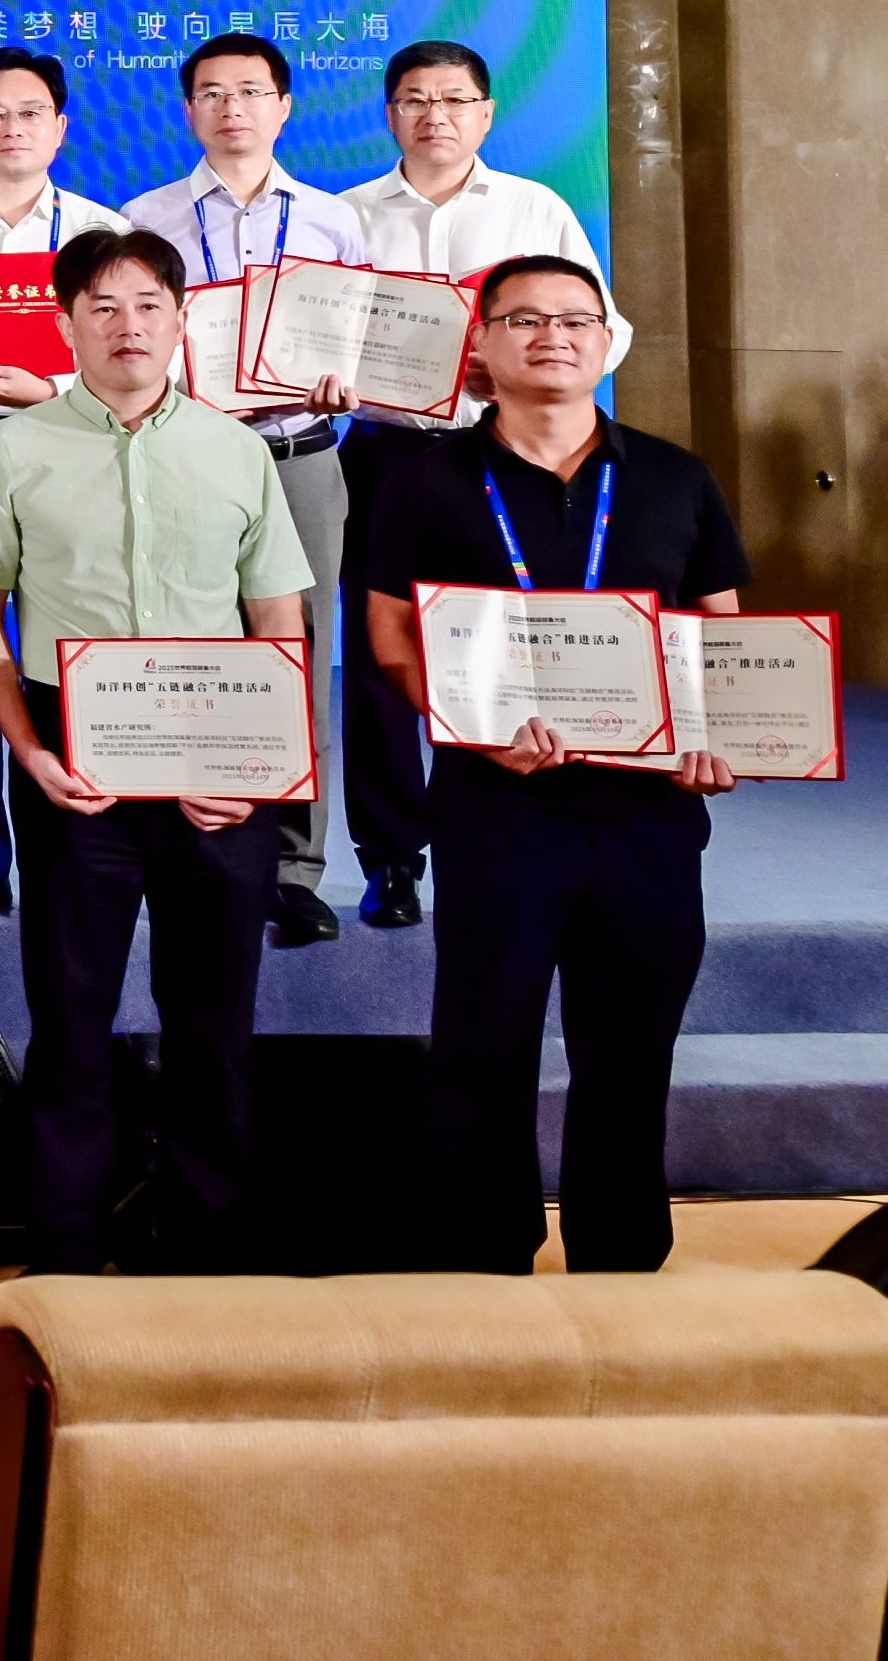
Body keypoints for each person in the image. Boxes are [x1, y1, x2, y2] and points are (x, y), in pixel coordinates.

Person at [357, 256, 745, 1276]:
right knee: (484, 1043)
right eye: (524, 319)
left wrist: (723, 733)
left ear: (607, 342)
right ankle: (483, 1252)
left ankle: (621, 1255)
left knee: (632, 1048)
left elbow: (721, 635)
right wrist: (471, 727)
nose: (553, 337)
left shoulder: (675, 477)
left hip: (650, 817)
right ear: (481, 343)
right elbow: (391, 637)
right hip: (499, 809)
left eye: (576, 319)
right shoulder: (423, 481)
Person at [0, 229, 312, 1275]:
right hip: (74, 756)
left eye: (149, 304)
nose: (128, 326)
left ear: (181, 317)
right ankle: (64, 1244)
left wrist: (257, 772)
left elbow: (277, 621)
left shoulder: (237, 450)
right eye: (102, 307)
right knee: (70, 1017)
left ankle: (203, 1243)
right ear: (65, 323)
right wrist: (26, 749)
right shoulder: (12, 449)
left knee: (214, 1021)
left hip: (217, 755)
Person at [331, 38, 631, 934]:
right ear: (391, 113)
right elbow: (316, 333)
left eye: (455, 100)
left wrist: (521, 372)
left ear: (487, 113)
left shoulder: (535, 210)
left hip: (507, 454)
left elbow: (607, 328)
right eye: (416, 99)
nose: (437, 116)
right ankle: (390, 858)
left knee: (507, 640)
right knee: (380, 661)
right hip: (386, 452)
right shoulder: (347, 217)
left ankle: (517, 816)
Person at [127, 30, 375, 947]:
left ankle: (295, 868)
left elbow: (362, 333)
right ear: (189, 109)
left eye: (251, 91)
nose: (232, 108)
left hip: (300, 454)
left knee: (300, 654)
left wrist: (350, 381)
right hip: (186, 458)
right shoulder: (145, 219)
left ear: (284, 106)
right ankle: (187, 838)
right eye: (213, 93)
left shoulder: (332, 220)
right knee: (186, 643)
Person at [0, 45, 123, 920]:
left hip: (65, 441)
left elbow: (133, 353)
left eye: (31, 112)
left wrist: (54, 391)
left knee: (58, 634)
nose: (12, 128)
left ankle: (74, 831)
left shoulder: (100, 231)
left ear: (60, 127)